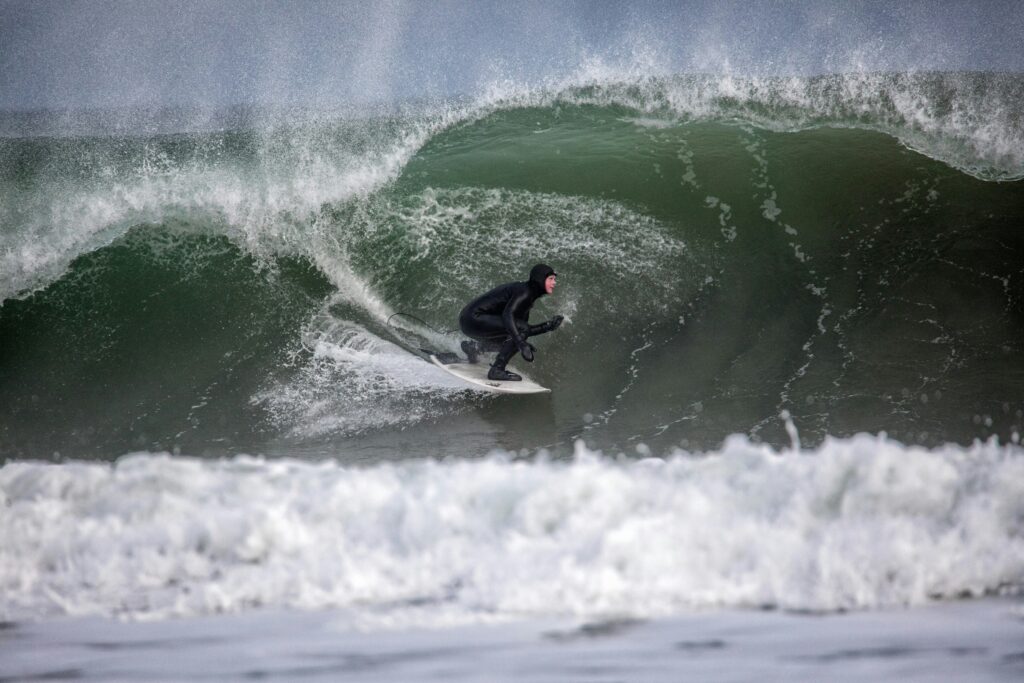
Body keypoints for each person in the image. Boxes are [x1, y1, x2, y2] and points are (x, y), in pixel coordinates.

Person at [459, 263, 564, 381]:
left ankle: (474, 348)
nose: (554, 283)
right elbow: (508, 315)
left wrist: (547, 327)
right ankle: (497, 370)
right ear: (540, 279)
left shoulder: (528, 295)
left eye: (554, 279)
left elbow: (524, 330)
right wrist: (521, 343)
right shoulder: (524, 293)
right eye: (550, 279)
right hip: (473, 318)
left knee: (514, 337)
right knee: (518, 335)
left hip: (470, 320)